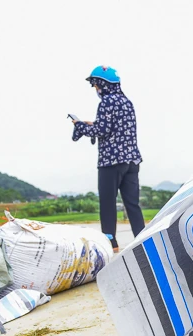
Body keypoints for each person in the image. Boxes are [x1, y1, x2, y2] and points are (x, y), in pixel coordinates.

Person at [72, 65, 145, 252]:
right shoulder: (126, 101)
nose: (95, 89)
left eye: (95, 85)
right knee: (132, 204)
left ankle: (110, 243)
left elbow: (101, 131)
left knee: (108, 203)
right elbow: (115, 126)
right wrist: (93, 123)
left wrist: (80, 126)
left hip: (111, 161)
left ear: (102, 84)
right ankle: (142, 239)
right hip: (131, 160)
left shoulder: (106, 102)